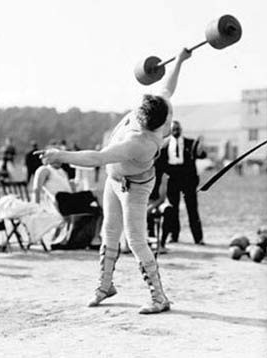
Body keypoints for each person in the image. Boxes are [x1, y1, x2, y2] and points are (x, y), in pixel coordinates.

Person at [40, 48, 191, 314]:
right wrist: (179, 60)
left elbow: (98, 157)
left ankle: (159, 297)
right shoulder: (159, 104)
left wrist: (60, 155)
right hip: (115, 180)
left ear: (151, 125)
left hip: (135, 187)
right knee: (108, 232)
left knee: (134, 239)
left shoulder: (142, 142)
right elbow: (167, 87)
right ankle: (105, 285)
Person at [154, 122, 206, 245]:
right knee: (173, 209)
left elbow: (201, 155)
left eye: (178, 129)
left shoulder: (190, 143)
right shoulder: (164, 145)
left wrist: (200, 150)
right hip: (173, 179)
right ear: (170, 130)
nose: (176, 131)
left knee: (192, 209)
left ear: (181, 129)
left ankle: (198, 238)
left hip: (188, 179)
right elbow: (159, 165)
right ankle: (174, 235)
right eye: (173, 129)